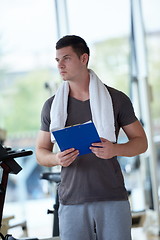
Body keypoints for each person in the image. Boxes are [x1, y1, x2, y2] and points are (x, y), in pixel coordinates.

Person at [36, 35, 148, 240]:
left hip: (112, 197)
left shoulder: (117, 99)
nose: (60, 65)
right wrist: (55, 158)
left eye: (66, 58)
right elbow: (41, 152)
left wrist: (115, 149)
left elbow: (141, 142)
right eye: (57, 60)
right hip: (71, 200)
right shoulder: (52, 106)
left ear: (84, 58)